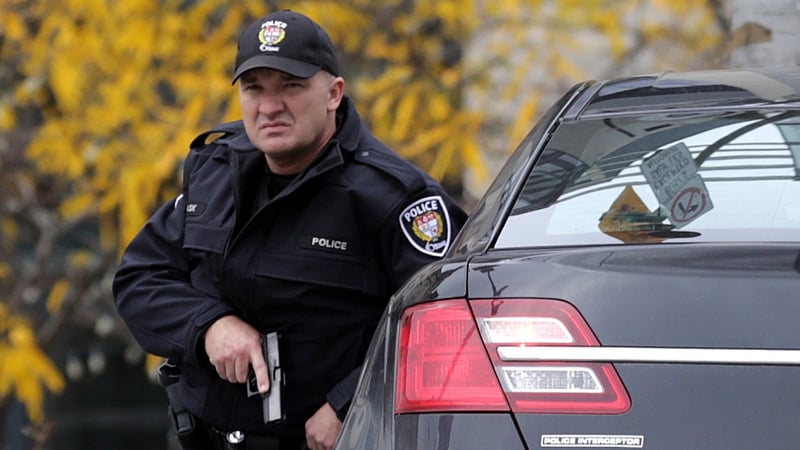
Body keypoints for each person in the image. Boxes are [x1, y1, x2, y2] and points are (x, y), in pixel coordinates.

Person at [112, 9, 468, 450]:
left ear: (334, 93)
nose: (270, 106)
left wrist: (351, 405)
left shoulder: (393, 197)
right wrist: (210, 326)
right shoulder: (216, 172)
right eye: (254, 88)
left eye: (292, 87)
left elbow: (453, 319)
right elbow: (140, 278)